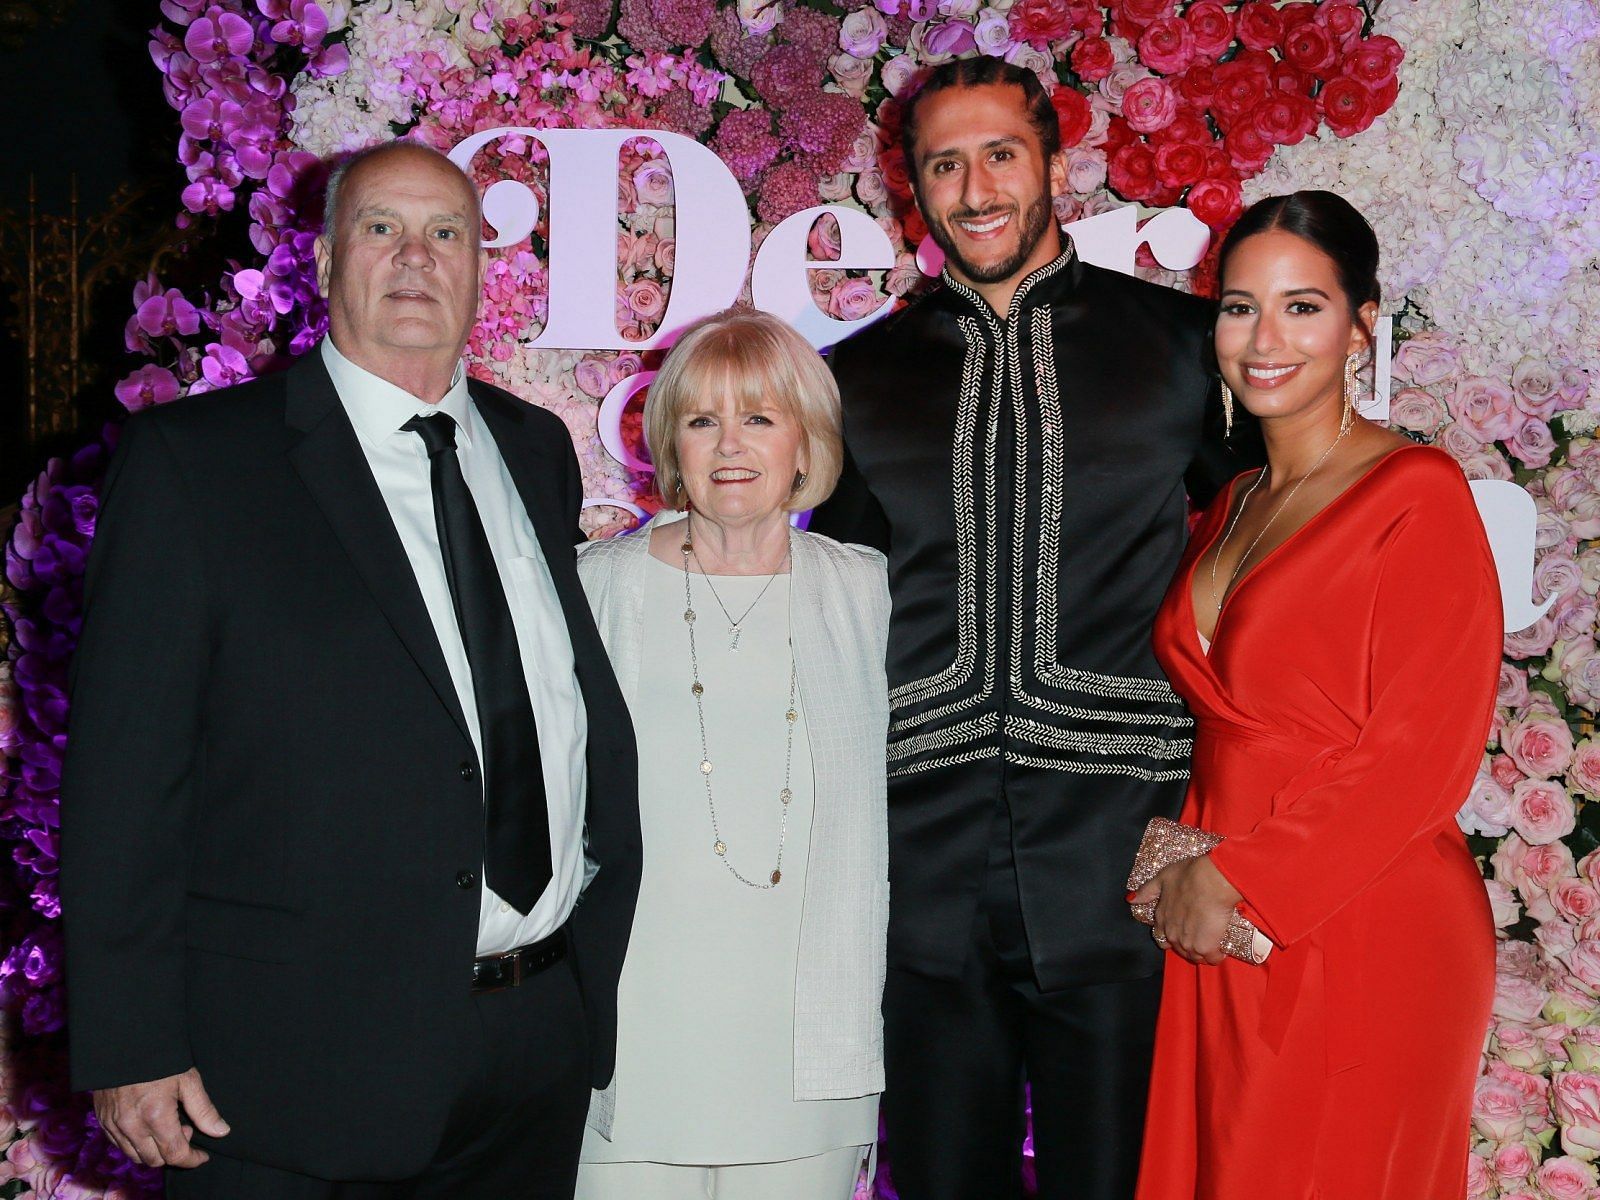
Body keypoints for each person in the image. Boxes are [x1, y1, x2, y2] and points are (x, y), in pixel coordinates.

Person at [59, 140, 640, 1198]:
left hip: (531, 1053)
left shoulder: (534, 450)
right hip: (288, 1075)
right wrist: (128, 1039)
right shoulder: (195, 466)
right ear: (323, 264)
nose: (415, 258)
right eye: (381, 229)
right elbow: (122, 778)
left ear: (482, 273)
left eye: (446, 234)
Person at [807, 57, 1261, 1200]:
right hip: (922, 879)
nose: (974, 188)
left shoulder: (1182, 348)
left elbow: (1268, 570)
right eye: (942, 166)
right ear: (910, 192)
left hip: (1122, 867)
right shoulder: (853, 380)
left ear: (1057, 166)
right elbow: (825, 598)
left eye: (999, 154)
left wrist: (1230, 822)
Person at [1132, 191, 1500, 1199]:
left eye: (1302, 306)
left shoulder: (1414, 492)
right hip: (1221, 909)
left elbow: (1423, 756)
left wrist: (1249, 879)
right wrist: (1191, 857)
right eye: (1239, 306)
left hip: (1356, 911)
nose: (1263, 338)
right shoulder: (1228, 506)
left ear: (1361, 323)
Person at [572, 307, 889, 1200]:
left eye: (760, 416)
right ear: (671, 442)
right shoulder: (598, 590)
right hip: (632, 1050)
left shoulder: (870, 594)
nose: (730, 445)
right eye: (702, 419)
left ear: (806, 438)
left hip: (807, 1052)